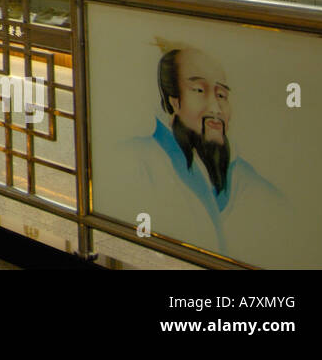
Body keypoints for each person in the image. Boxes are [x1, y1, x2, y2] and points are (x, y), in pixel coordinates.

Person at [110, 46, 287, 263]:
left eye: (222, 95)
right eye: (199, 91)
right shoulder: (135, 160)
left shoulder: (251, 184)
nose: (216, 107)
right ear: (173, 101)